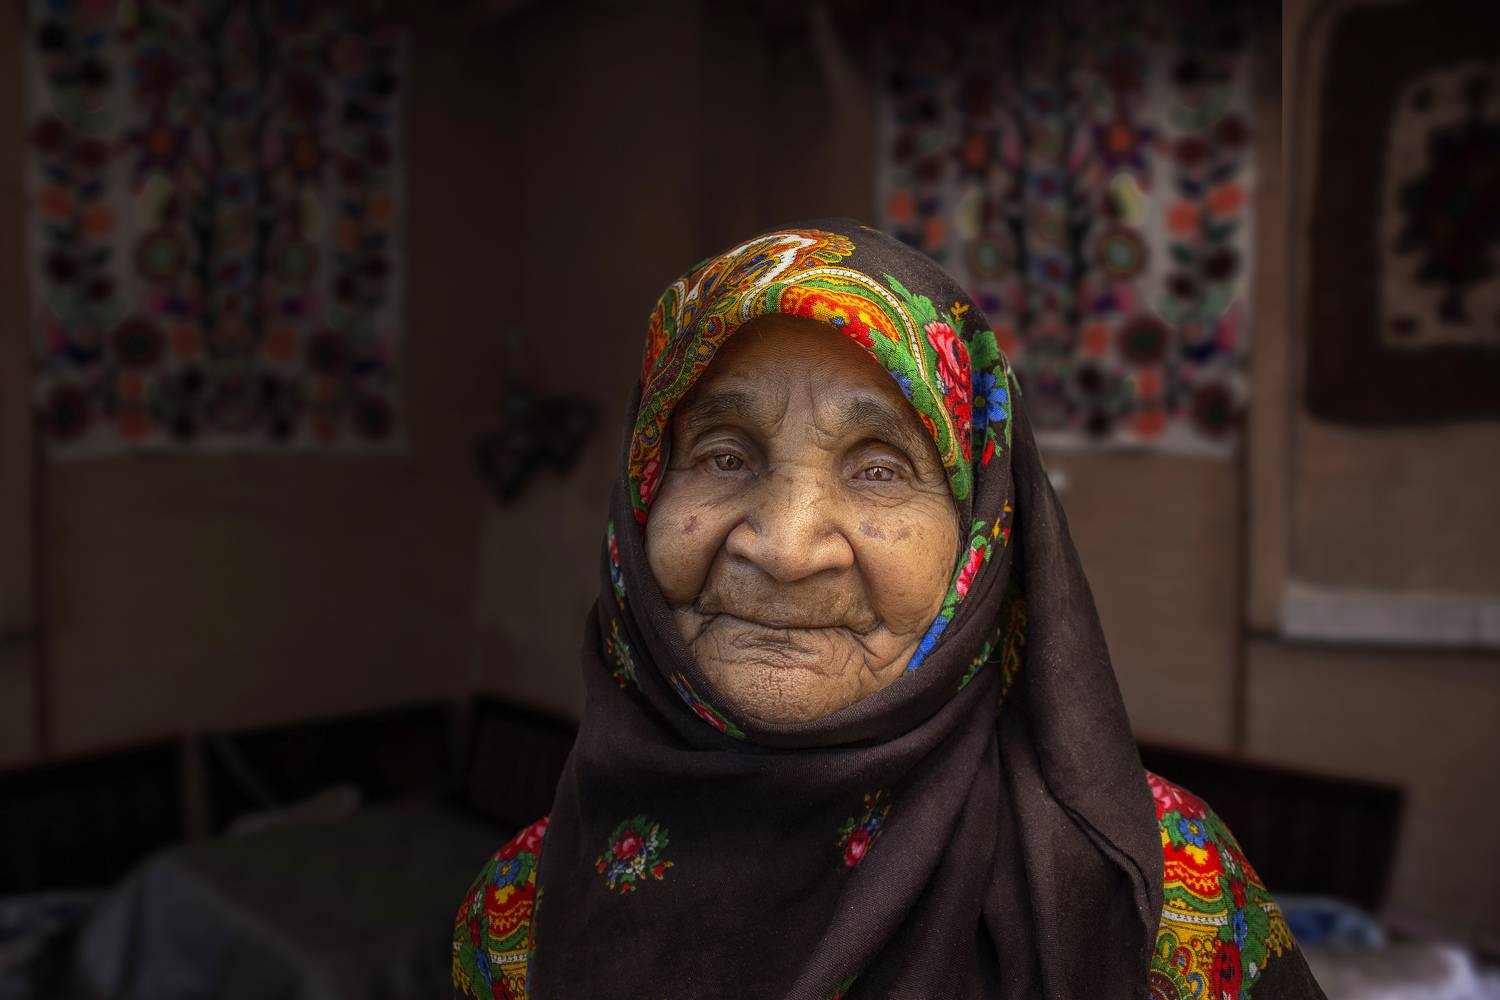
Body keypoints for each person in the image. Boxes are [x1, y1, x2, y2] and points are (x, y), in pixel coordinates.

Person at [452, 220, 1326, 999]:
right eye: (723, 456)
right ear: (640, 504)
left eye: (880, 469)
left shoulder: (1160, 887)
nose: (787, 549)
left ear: (979, 546)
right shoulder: (518, 913)